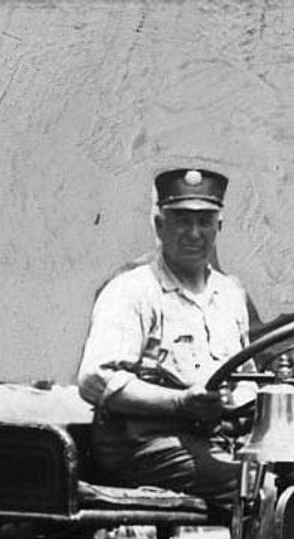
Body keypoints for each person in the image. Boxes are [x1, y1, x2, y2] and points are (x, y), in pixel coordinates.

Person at [75, 167, 262, 499]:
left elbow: (247, 381)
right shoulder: (132, 290)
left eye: (204, 221)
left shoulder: (230, 296)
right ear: (160, 226)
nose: (193, 233)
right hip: (141, 444)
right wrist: (179, 402)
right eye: (181, 221)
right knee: (261, 490)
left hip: (209, 441)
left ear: (219, 227)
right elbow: (95, 379)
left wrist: (245, 404)